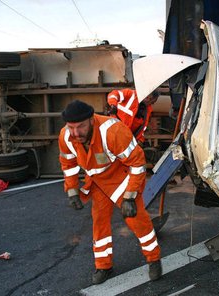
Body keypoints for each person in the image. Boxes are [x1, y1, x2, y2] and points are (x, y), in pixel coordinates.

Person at [58, 100, 162, 285]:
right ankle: (104, 265)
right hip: (97, 183)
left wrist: (130, 196)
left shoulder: (113, 131)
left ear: (91, 120)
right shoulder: (66, 136)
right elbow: (68, 164)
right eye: (71, 127)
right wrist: (72, 190)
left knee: (137, 221)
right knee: (99, 222)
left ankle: (154, 259)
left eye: (80, 126)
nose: (75, 133)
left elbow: (137, 164)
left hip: (121, 179)